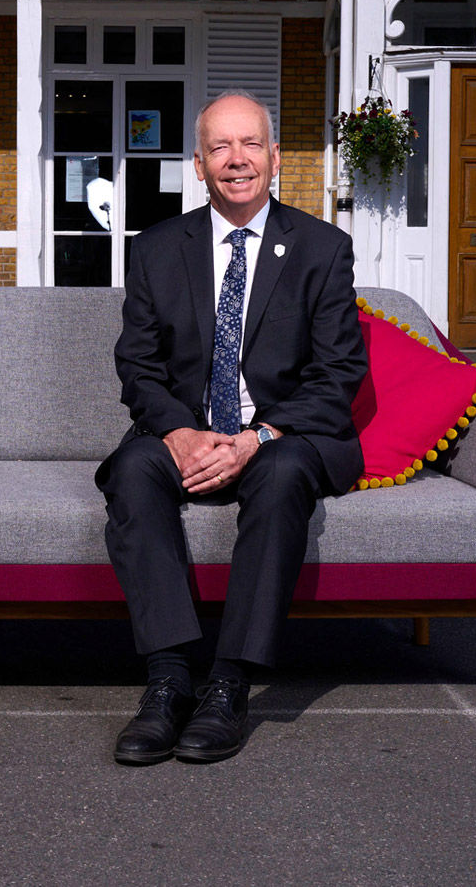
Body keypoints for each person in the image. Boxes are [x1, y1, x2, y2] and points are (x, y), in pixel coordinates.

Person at [98, 91, 368, 765]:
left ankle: (228, 684)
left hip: (280, 437)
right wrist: (179, 434)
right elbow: (137, 363)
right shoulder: (159, 248)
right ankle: (167, 681)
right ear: (198, 163)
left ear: (275, 158)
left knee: (279, 479)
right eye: (220, 146)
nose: (237, 159)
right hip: (189, 429)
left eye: (251, 144)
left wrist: (257, 438)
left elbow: (338, 376)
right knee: (134, 469)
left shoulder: (322, 249)